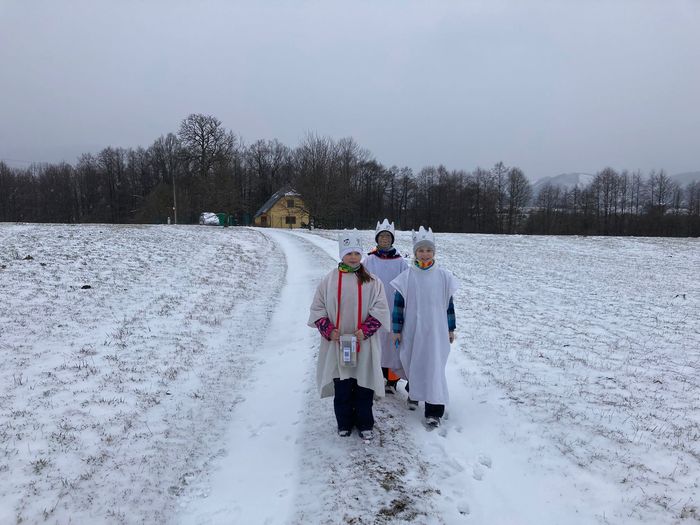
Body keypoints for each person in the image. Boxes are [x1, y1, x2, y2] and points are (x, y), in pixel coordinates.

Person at [308, 229, 390, 440]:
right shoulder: (329, 281)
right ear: (341, 255)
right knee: (342, 386)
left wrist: (366, 330)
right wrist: (328, 329)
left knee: (364, 385)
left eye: (356, 253)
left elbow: (381, 309)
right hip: (338, 343)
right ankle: (344, 422)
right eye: (348, 253)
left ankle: (365, 423)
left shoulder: (372, 281)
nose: (353, 257)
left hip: (364, 343)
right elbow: (317, 308)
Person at [390, 226, 458, 428]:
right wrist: (396, 330)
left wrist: (450, 328)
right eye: (421, 250)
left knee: (433, 367)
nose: (425, 254)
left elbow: (449, 305)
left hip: (436, 332)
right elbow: (398, 306)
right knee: (415, 362)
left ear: (434, 252)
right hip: (413, 330)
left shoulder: (444, 277)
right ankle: (414, 393)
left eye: (428, 250)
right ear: (415, 252)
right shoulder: (407, 277)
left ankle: (434, 410)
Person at [362, 219, 408, 394]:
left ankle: (392, 380)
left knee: (392, 345)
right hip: (375, 309)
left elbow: (407, 284)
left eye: (388, 236)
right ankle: (377, 377)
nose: (385, 239)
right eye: (381, 236)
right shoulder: (369, 260)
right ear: (377, 239)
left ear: (392, 239)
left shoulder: (400, 262)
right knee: (377, 343)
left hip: (394, 309)